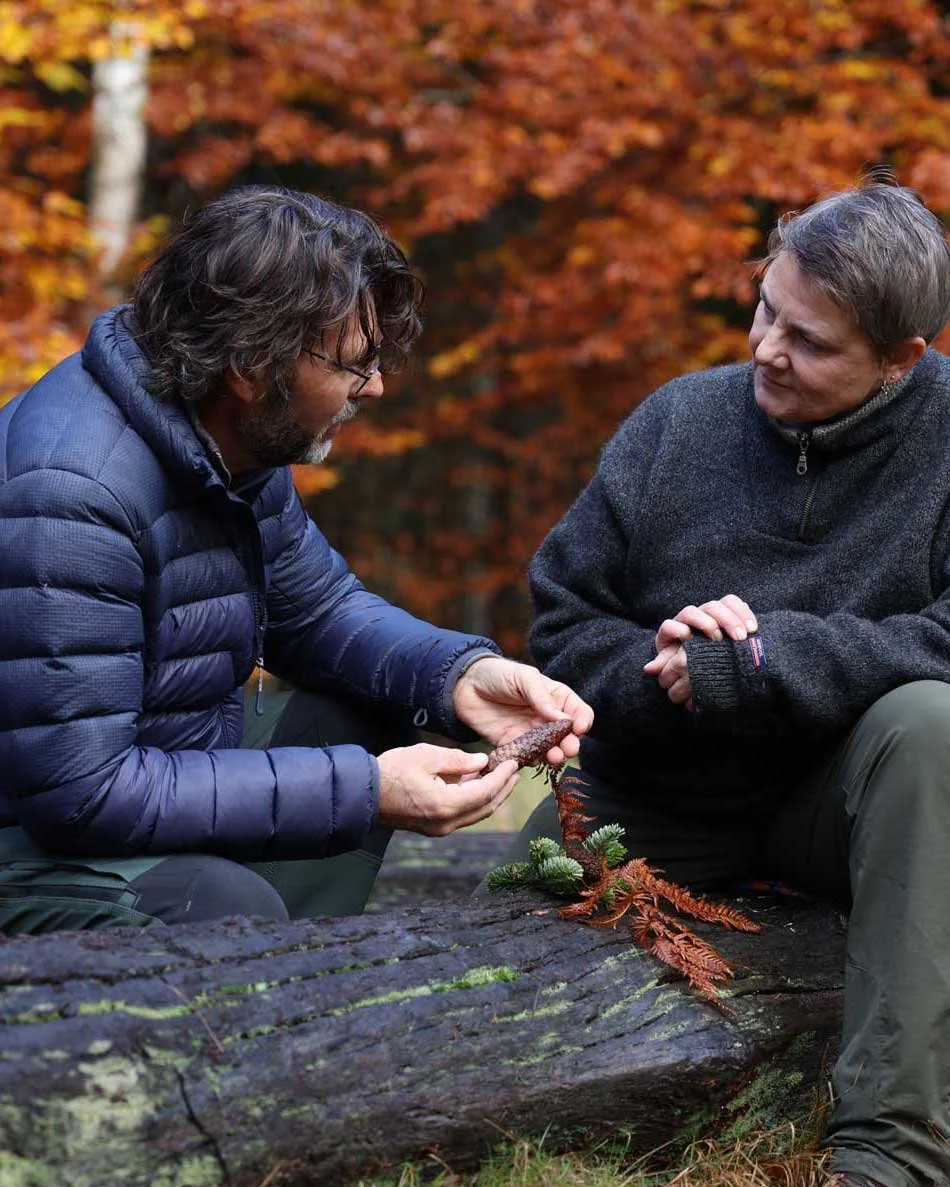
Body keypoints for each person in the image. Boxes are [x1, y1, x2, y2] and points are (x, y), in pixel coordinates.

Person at [512, 181, 950, 1187]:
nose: (768, 349)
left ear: (902, 358)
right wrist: (669, 668)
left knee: (937, 720)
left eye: (809, 342)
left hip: (881, 797)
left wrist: (766, 661)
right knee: (509, 912)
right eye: (765, 309)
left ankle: (887, 1161)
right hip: (671, 790)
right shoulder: (678, 421)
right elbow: (560, 628)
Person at [0, 186, 591, 934]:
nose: (373, 387)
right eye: (354, 364)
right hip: (33, 826)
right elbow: (78, 792)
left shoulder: (222, 433)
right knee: (220, 907)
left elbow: (318, 612)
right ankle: (252, 998)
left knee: (361, 707)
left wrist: (459, 676)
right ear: (254, 364)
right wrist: (364, 791)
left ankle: (285, 966)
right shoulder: (70, 493)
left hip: (147, 765)